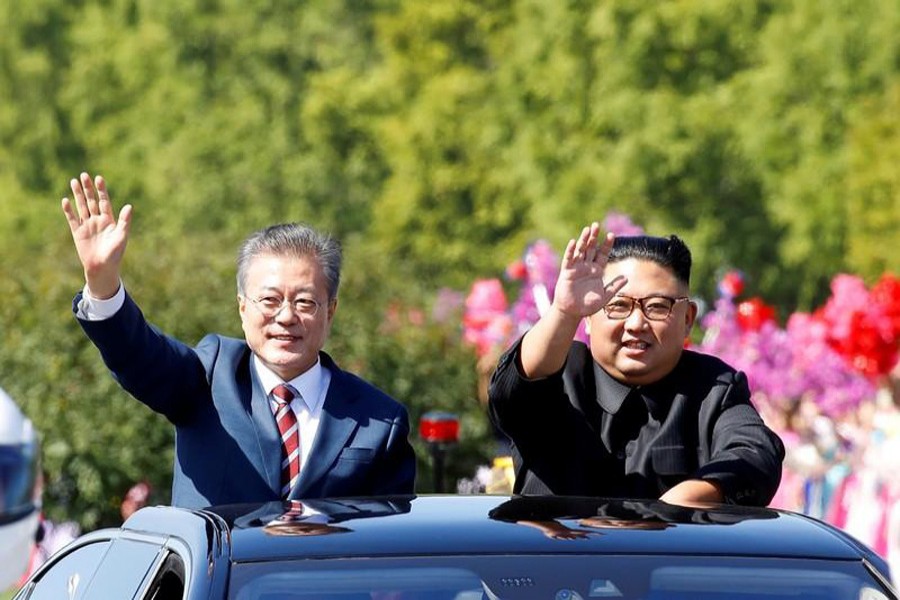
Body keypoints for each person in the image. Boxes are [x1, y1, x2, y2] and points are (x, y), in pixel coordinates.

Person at [61, 172, 416, 508]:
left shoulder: (379, 422)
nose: (287, 316)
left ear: (331, 311)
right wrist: (103, 283)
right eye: (270, 300)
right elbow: (140, 355)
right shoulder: (208, 378)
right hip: (218, 573)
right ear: (243, 307)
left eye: (305, 301)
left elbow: (388, 554)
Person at [488, 223, 784, 506]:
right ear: (589, 316)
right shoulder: (563, 373)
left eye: (657, 307)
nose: (636, 323)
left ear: (688, 319)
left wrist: (691, 498)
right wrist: (564, 312)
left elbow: (756, 453)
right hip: (562, 557)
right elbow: (512, 391)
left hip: (671, 555)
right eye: (617, 305)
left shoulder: (713, 386)